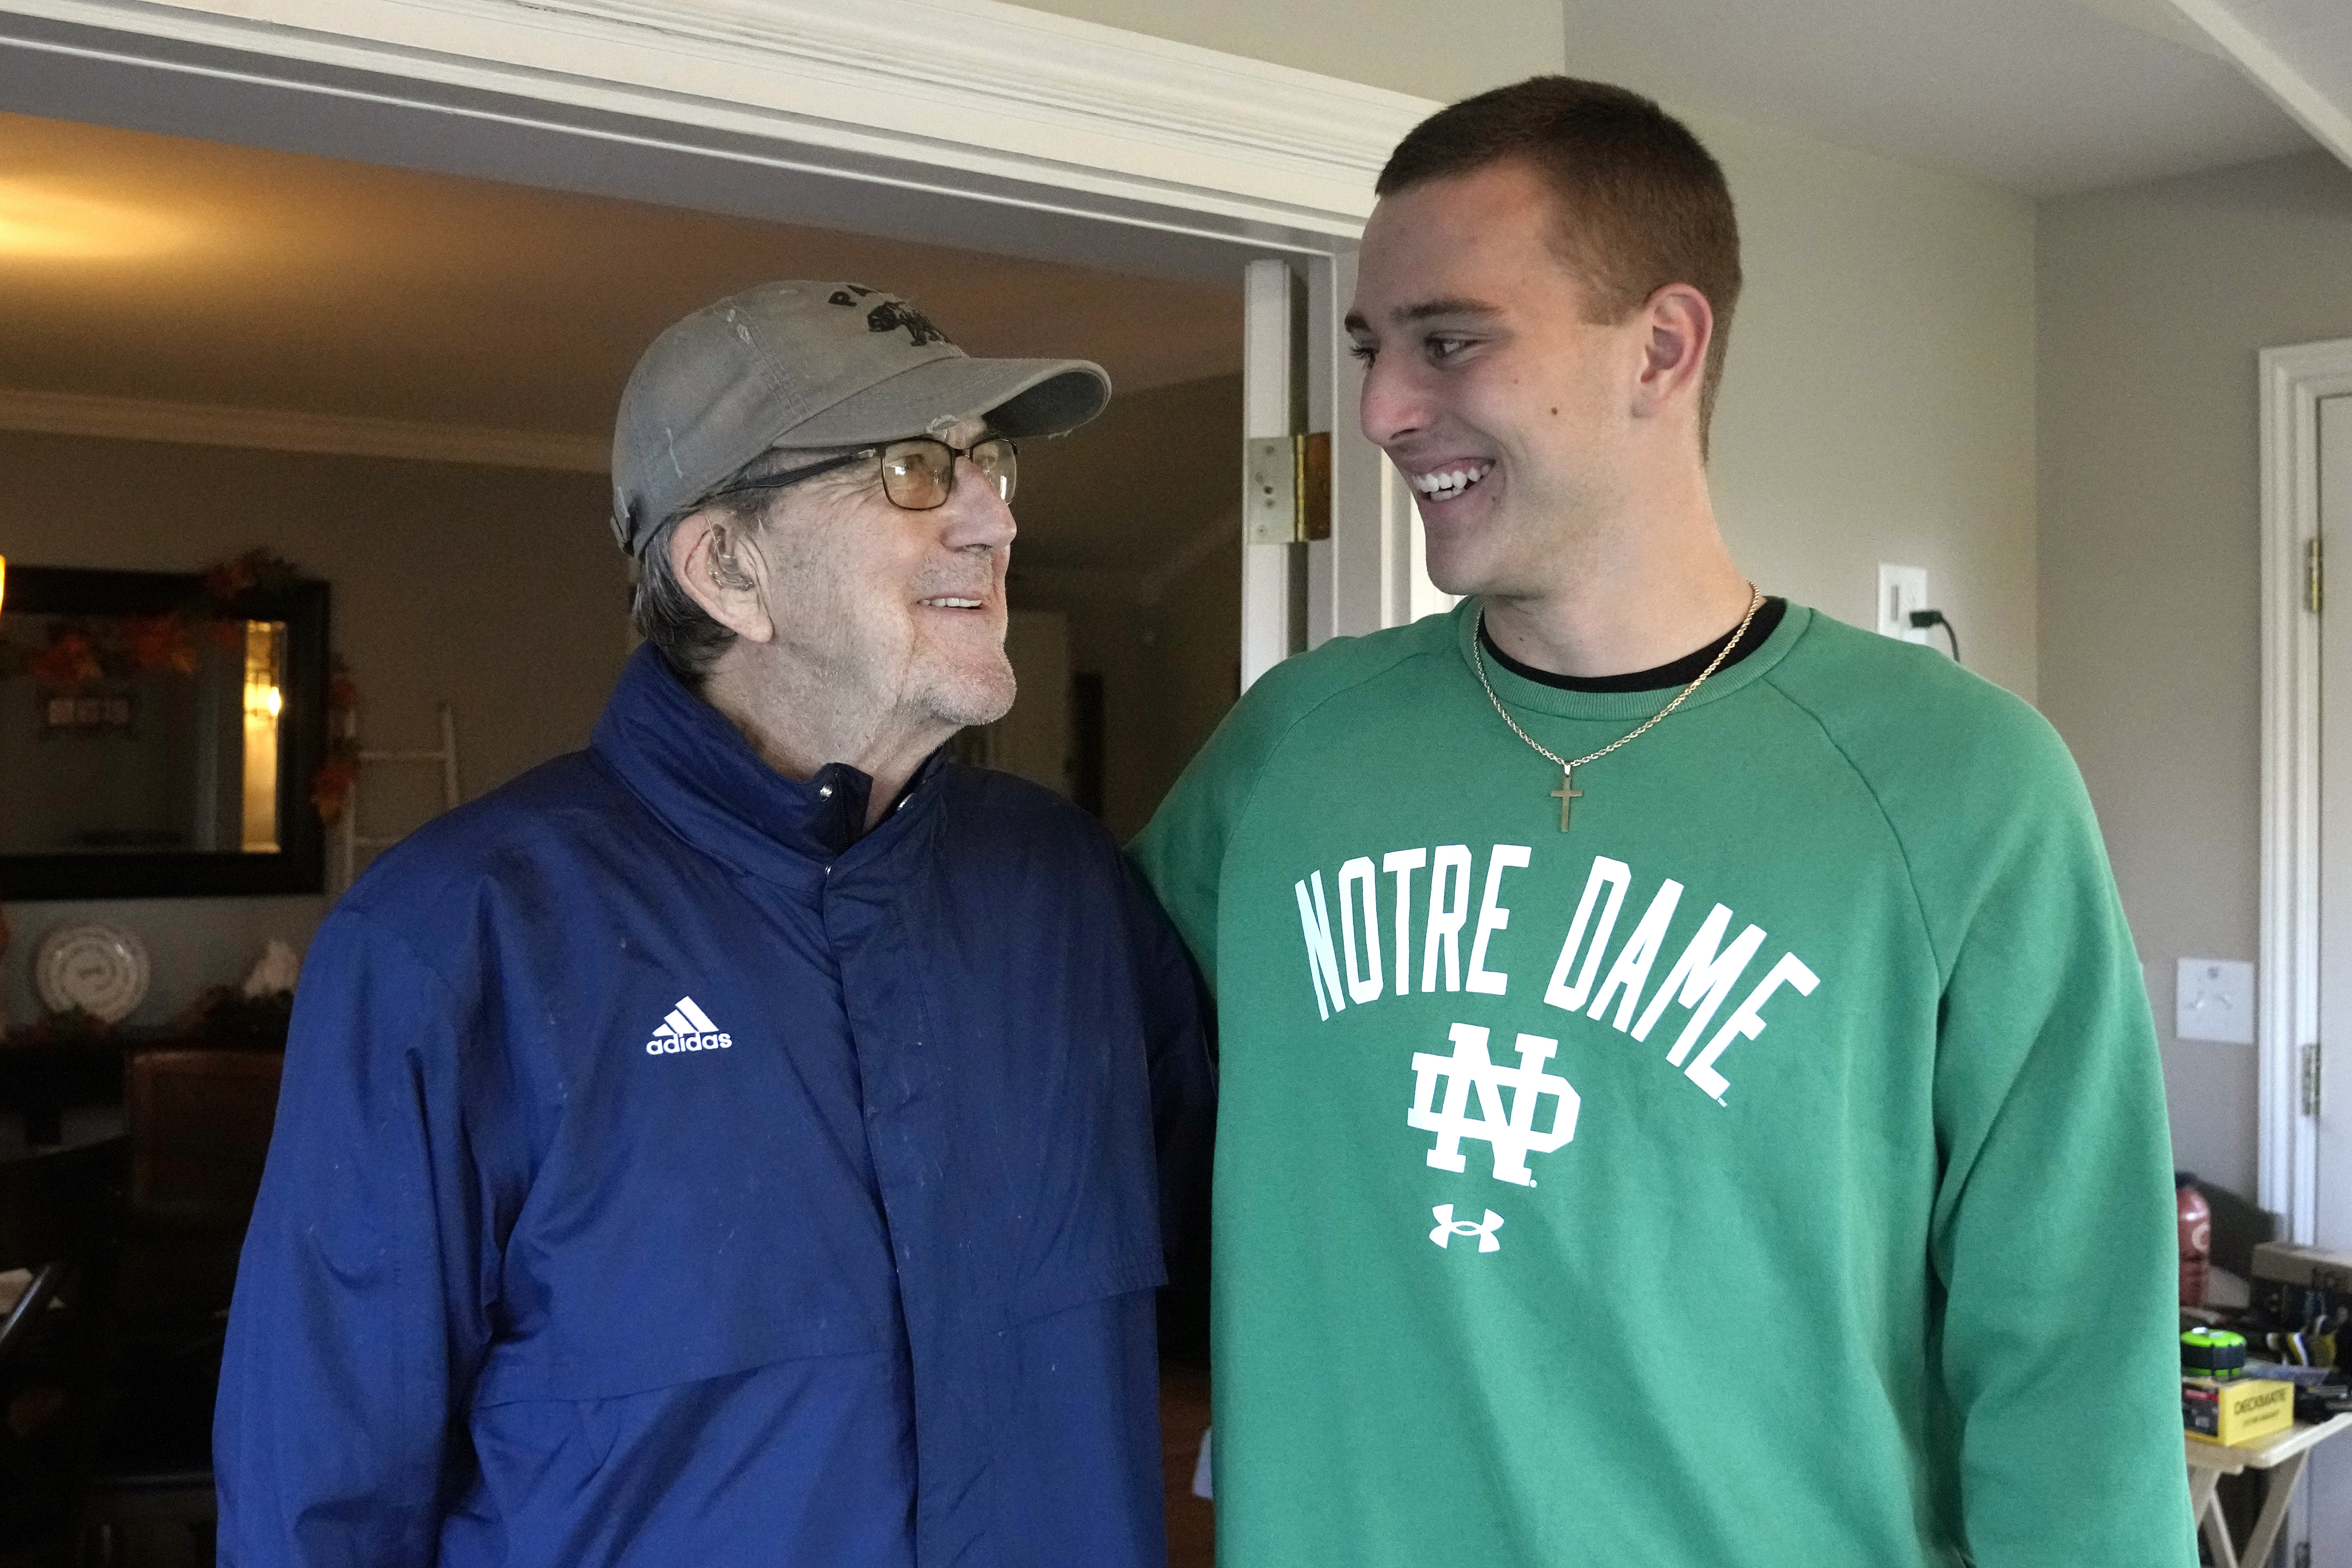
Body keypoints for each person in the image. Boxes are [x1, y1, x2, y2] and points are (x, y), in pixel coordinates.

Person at [1132, 78, 2192, 1567]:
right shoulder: (1294, 748)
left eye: (1449, 341)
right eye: (1373, 350)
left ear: (1664, 347)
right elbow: (1052, 1049)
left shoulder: (1963, 784)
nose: (1378, 410)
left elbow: (2073, 1360)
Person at [217, 281, 1212, 1568]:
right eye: (915, 469)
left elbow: (1254, 1281)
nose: (996, 519)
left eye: (991, 462)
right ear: (727, 568)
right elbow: (320, 1499)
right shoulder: (459, 940)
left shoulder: (1069, 893)